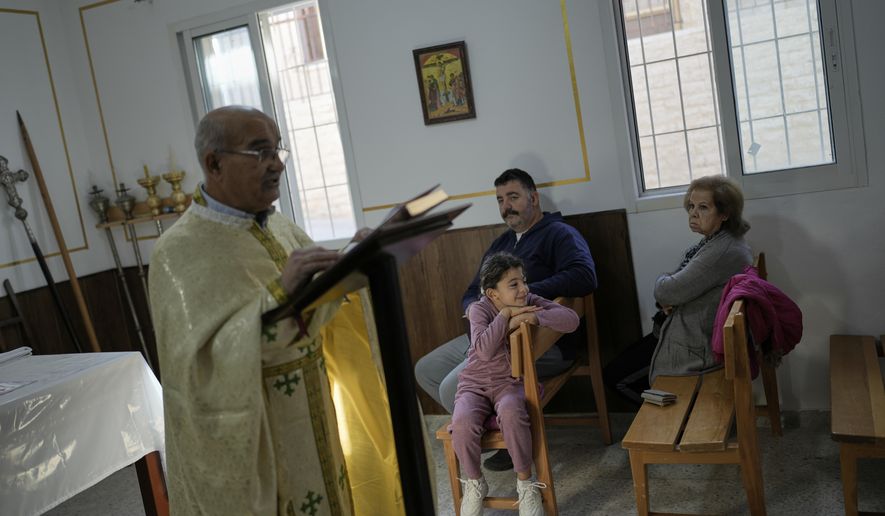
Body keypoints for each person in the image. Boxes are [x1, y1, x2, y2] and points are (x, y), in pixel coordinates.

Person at [149, 106, 401, 515]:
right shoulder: (178, 252)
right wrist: (279, 292)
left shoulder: (281, 227)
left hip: (314, 412)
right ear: (214, 163)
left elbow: (316, 305)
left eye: (278, 151)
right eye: (260, 152)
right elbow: (197, 368)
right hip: (259, 437)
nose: (276, 165)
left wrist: (354, 262)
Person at [414, 168, 596, 470]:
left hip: (537, 341)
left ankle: (504, 435)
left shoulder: (560, 233)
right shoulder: (501, 244)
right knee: (426, 369)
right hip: (490, 334)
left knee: (450, 388)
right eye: (500, 200)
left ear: (534, 198)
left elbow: (584, 276)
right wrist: (479, 311)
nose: (505, 206)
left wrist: (522, 295)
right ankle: (497, 424)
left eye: (513, 197)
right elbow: (474, 290)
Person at [603, 175, 753, 403]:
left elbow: (666, 291)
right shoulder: (715, 241)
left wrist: (665, 283)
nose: (693, 213)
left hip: (691, 344)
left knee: (615, 377)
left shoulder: (723, 251)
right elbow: (674, 287)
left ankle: (665, 426)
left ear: (724, 213)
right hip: (678, 330)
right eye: (691, 206)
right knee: (619, 368)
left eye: (703, 207)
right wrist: (669, 289)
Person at [451, 252, 579, 516]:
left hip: (509, 383)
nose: (524, 289)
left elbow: (571, 319)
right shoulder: (479, 309)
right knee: (462, 423)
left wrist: (534, 317)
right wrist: (507, 316)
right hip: (473, 385)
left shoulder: (530, 300)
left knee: (511, 412)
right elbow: (484, 351)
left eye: (523, 281)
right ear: (492, 293)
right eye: (514, 284)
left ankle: (526, 483)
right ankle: (475, 483)